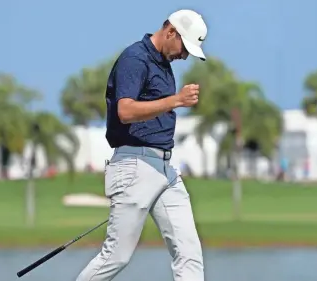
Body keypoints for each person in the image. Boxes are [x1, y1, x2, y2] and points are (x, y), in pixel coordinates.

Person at [75, 9, 208, 281]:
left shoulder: (162, 64)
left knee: (189, 252)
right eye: (185, 47)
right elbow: (125, 111)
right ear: (171, 31)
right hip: (134, 165)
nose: (185, 56)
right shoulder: (135, 59)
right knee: (116, 256)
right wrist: (176, 101)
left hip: (164, 169)